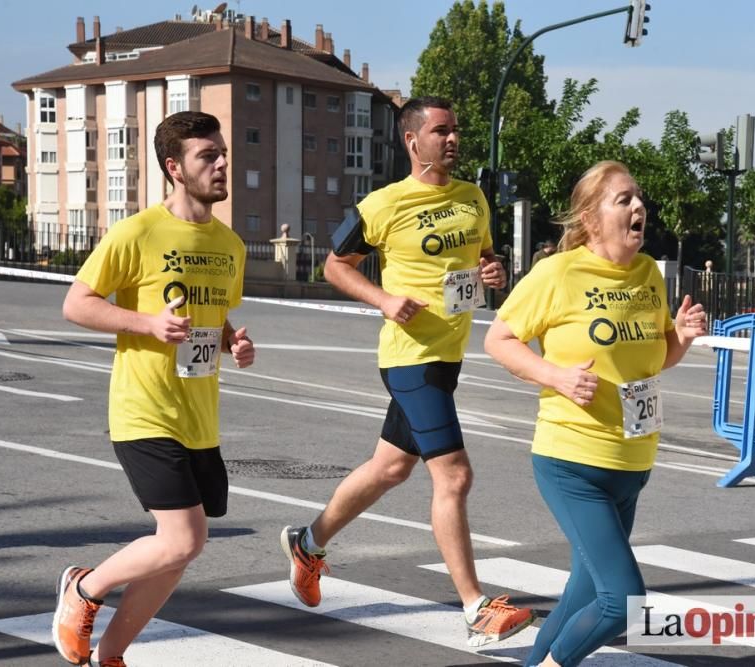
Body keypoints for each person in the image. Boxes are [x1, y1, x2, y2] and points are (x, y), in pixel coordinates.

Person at [279, 96, 535, 647]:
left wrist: (494, 270)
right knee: (455, 475)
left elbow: (485, 262)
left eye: (455, 130)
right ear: (412, 140)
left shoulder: (473, 198)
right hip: (409, 357)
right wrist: (384, 299)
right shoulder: (383, 204)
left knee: (390, 468)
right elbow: (334, 265)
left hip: (448, 356)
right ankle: (475, 607)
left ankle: (309, 542)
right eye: (441, 131)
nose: (452, 139)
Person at [483, 160, 707, 667]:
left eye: (638, 198)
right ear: (590, 217)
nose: (638, 207)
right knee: (622, 601)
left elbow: (652, 360)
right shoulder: (558, 273)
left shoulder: (649, 273)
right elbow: (499, 339)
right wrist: (556, 376)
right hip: (572, 460)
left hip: (631, 464)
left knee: (583, 596)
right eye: (623, 199)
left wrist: (682, 339)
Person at [55, 111, 255, 667]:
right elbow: (77, 304)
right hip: (144, 409)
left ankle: (111, 655)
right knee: (184, 540)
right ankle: (84, 589)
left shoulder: (230, 245)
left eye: (222, 154)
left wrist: (233, 342)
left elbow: (211, 320)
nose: (220, 165)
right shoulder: (137, 232)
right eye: (206, 157)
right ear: (174, 168)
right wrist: (146, 323)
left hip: (200, 414)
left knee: (176, 554)